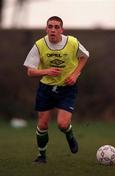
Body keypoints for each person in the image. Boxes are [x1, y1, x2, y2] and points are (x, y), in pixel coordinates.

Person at [23, 16, 89, 164]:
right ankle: (41, 156)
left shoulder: (72, 42)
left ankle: (69, 134)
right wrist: (46, 71)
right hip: (46, 88)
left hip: (67, 88)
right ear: (46, 29)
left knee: (62, 124)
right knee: (43, 124)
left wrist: (75, 74)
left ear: (62, 29)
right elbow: (30, 71)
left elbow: (85, 56)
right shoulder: (39, 45)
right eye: (50, 26)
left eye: (56, 27)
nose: (53, 30)